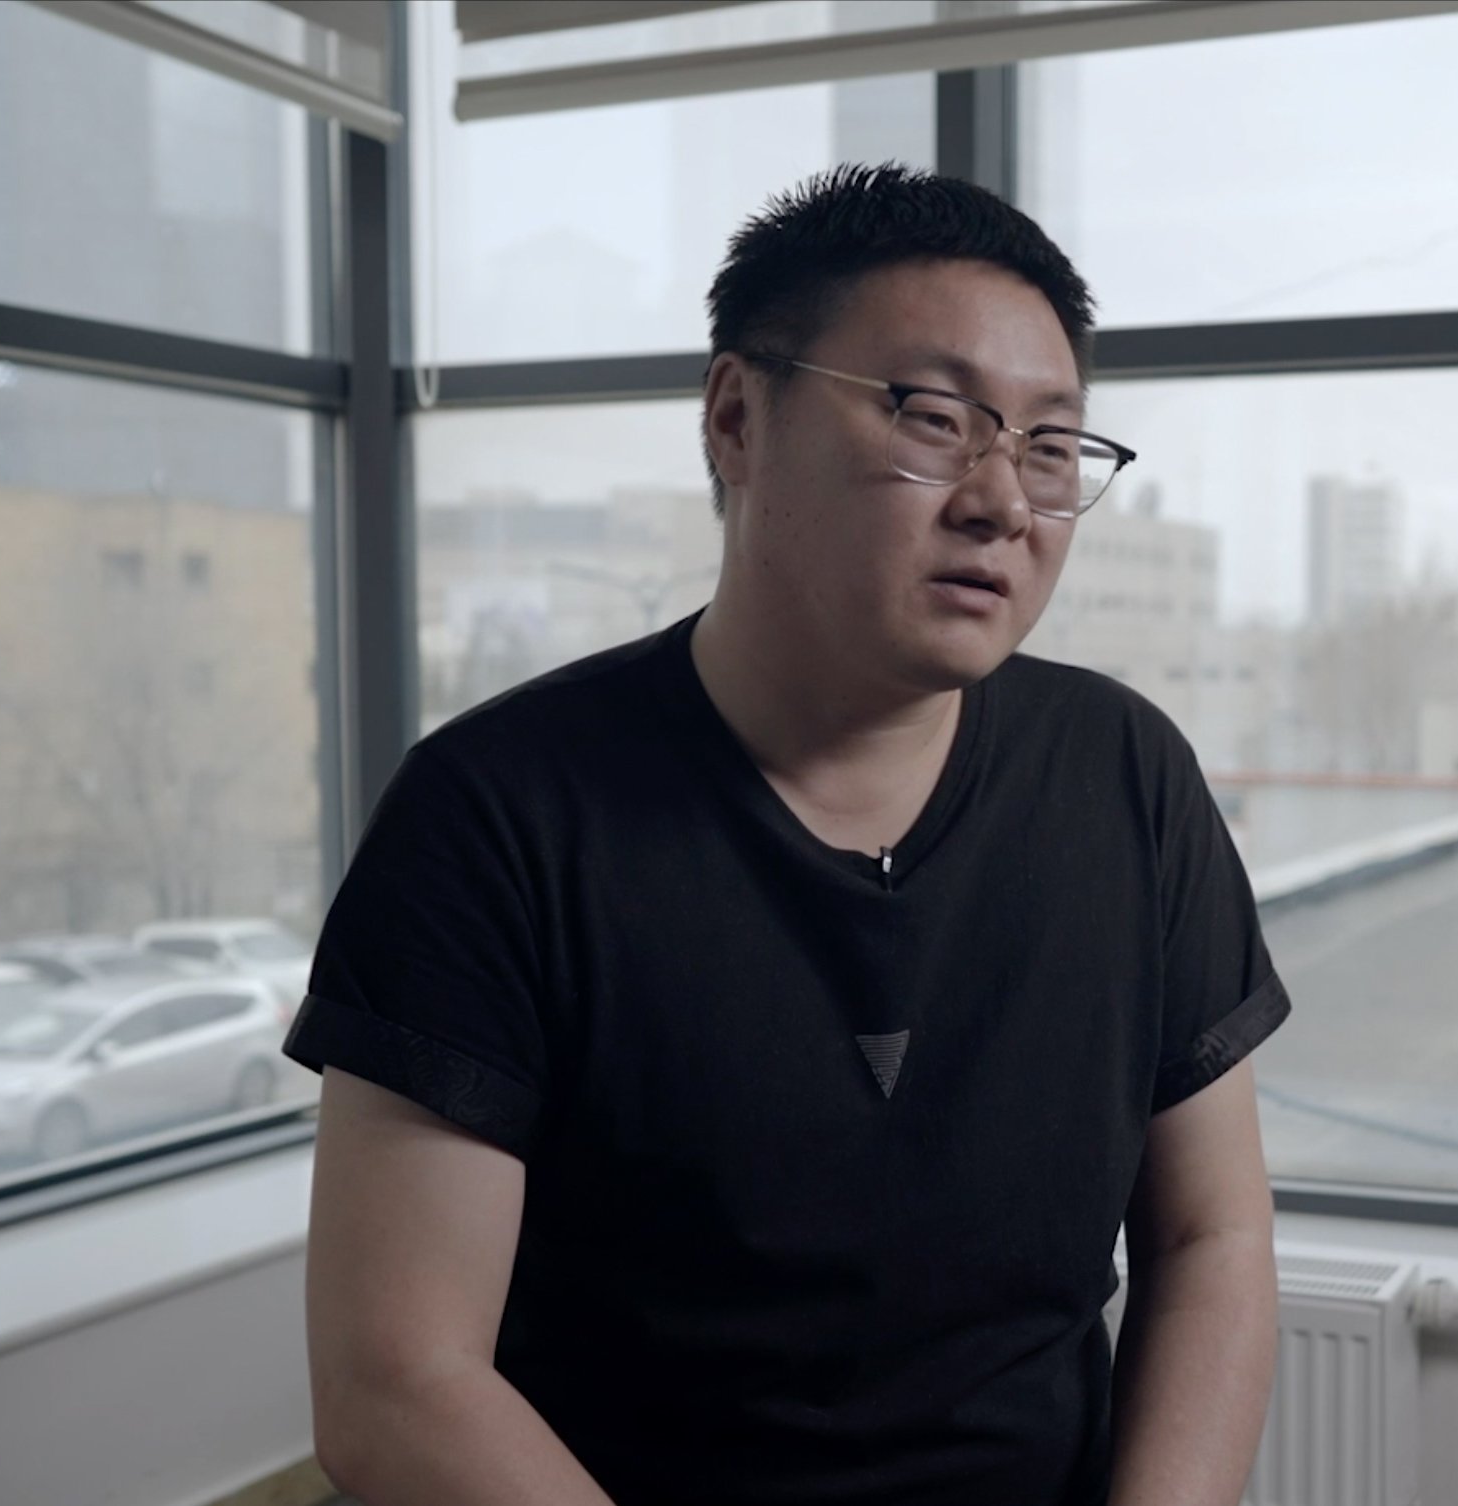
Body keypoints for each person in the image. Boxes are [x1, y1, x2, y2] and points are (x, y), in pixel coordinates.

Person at [287, 163, 1288, 1506]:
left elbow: (1211, 1236)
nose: (1002, 500)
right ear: (735, 418)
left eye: (1050, 446)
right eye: (933, 417)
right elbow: (397, 1382)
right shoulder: (495, 815)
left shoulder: (1125, 775)